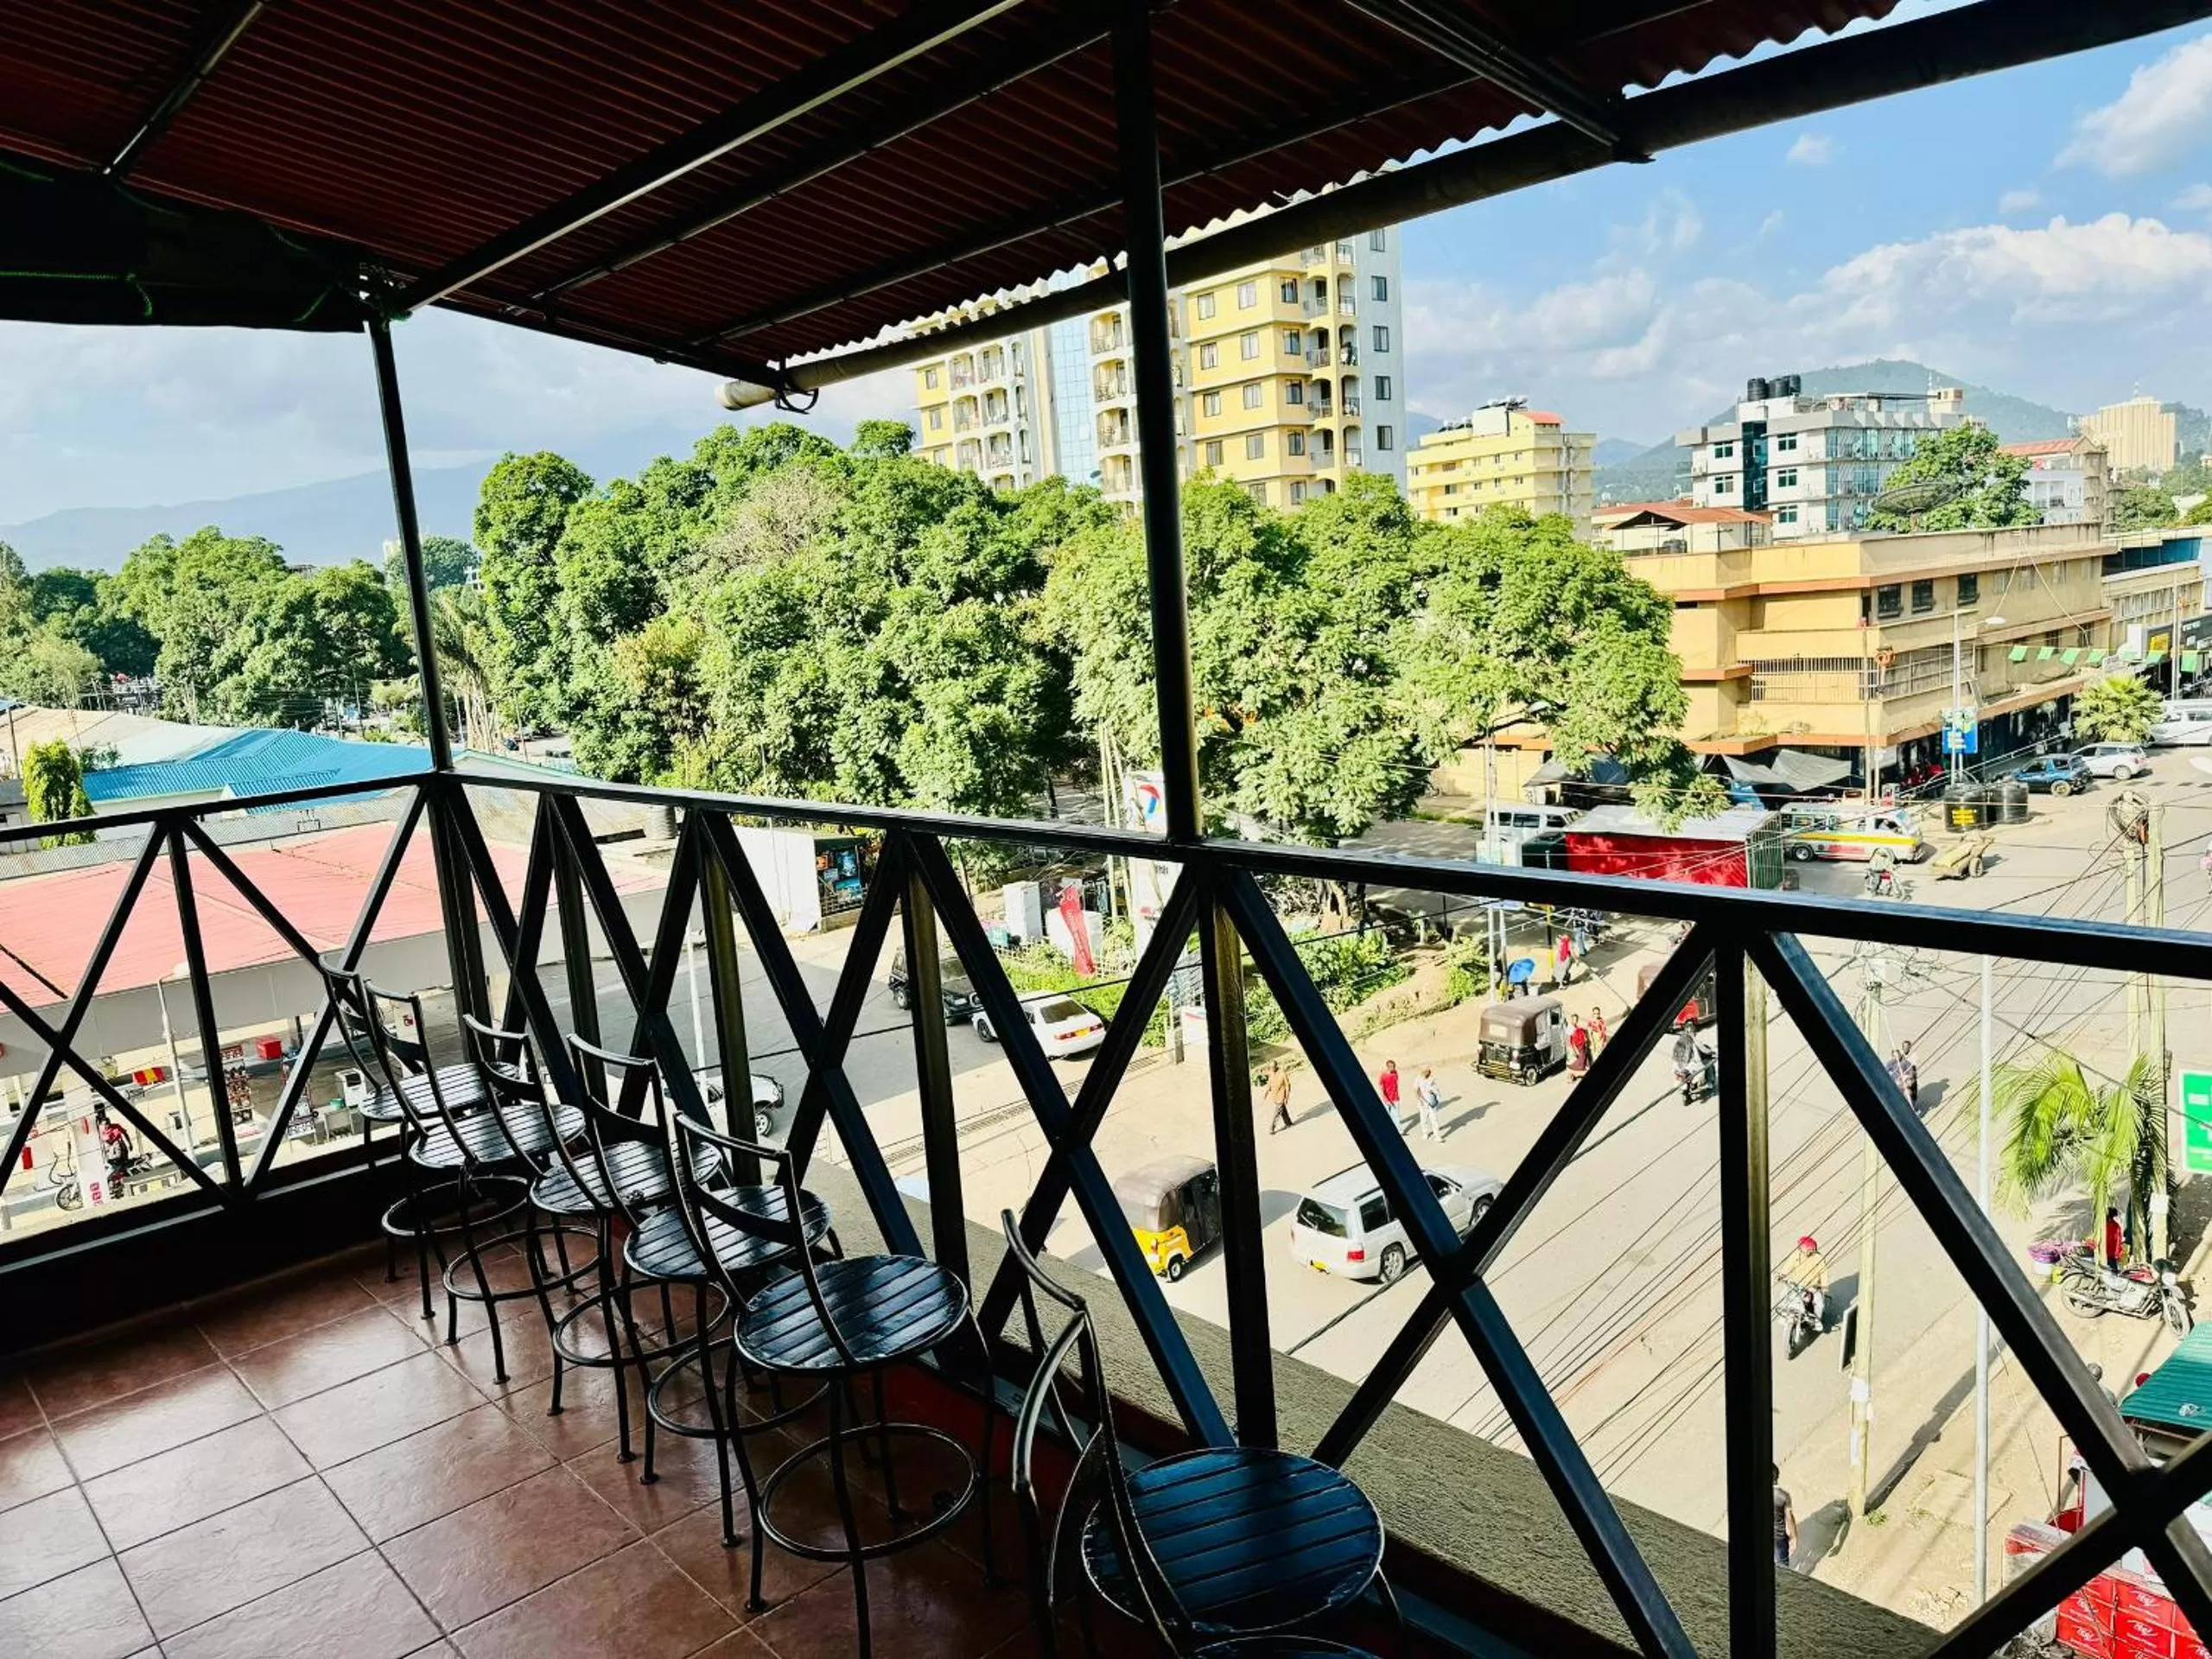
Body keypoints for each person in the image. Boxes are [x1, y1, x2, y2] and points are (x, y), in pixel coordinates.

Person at [1778, 1235, 1828, 1329]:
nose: (1808, 1251)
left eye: (1811, 1249)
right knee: (1784, 1294)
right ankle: (1783, 1315)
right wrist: (1782, 1275)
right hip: (1796, 1284)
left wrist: (1825, 1287)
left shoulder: (1818, 1258)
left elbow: (1824, 1273)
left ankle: (1816, 1320)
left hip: (1812, 1286)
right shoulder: (1796, 1255)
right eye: (1805, 1248)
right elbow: (1788, 1265)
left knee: (1820, 1303)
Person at [1773, 1466, 1798, 1569]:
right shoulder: (1784, 1496)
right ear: (1777, 1477)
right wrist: (1794, 1536)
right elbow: (1789, 1518)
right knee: (1783, 1569)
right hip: (1779, 1538)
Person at [1414, 1066, 1444, 1142]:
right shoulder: (1418, 1079)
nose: (1426, 1073)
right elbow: (1416, 1090)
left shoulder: (1432, 1079)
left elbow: (1436, 1090)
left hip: (1432, 1103)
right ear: (1422, 1072)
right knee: (1423, 1120)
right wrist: (1419, 1100)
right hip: (1423, 1102)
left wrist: (1437, 1098)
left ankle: (1437, 1136)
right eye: (1424, 1071)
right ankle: (1425, 1133)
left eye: (1427, 1071)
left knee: (1434, 1120)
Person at [1887, 1041, 1918, 1110]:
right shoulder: (1890, 1063)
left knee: (1909, 1093)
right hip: (1895, 1083)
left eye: (1907, 1046)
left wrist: (1908, 1078)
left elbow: (1911, 1071)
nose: (1896, 1058)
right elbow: (1885, 1071)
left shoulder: (1907, 1061)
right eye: (1894, 1056)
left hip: (1905, 1082)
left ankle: (1912, 1108)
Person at [1265, 1064, 1294, 1135]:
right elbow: (1269, 1084)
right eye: (1270, 1067)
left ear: (1276, 1066)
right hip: (1275, 1097)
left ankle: (1271, 1128)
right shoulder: (1271, 1074)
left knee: (1277, 1112)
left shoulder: (1282, 1073)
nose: (1271, 1069)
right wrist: (1265, 1093)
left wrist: (1287, 1097)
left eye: (1272, 1067)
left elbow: (1287, 1086)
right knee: (1282, 1110)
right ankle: (1288, 1123)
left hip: (1281, 1096)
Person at [1378, 1059, 1404, 1133]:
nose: (1394, 1068)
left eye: (1394, 1066)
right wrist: (1386, 1100)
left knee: (1396, 1115)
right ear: (1388, 1067)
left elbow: (1396, 1084)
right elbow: (1382, 1088)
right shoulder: (1383, 1076)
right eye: (1393, 1067)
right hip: (1387, 1099)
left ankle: (1399, 1130)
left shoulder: (1395, 1073)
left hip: (1396, 1098)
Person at [1566, 1014, 1591, 1079]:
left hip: (1580, 1046)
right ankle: (1573, 1075)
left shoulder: (1575, 1026)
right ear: (1571, 1020)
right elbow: (1570, 1042)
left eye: (1576, 1020)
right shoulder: (1570, 1029)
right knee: (1578, 1061)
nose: (1575, 1021)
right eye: (1574, 1019)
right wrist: (1575, 1050)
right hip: (1575, 1047)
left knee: (1583, 1059)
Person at [2104, 1205, 2125, 1274]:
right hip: (2112, 1253)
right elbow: (2118, 1241)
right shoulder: (2116, 1226)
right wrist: (2117, 1253)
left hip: (2106, 1252)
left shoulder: (2104, 1225)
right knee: (2113, 1271)